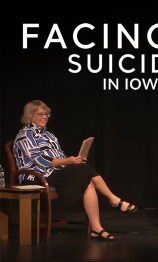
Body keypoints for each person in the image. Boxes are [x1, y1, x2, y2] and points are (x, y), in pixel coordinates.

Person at [13, 100, 138, 241]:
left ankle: (96, 228)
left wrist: (75, 161)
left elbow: (59, 158)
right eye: (40, 114)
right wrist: (69, 162)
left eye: (47, 114)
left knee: (86, 179)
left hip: (55, 173)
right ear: (30, 116)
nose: (45, 117)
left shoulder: (50, 135)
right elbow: (40, 160)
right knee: (83, 171)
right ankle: (114, 200)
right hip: (37, 176)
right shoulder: (25, 135)